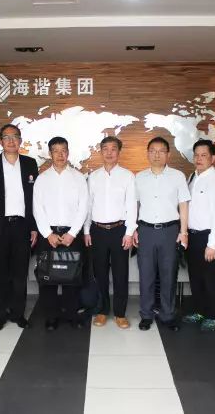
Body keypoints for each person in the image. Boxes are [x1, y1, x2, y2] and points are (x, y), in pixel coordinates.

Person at [0, 124, 39, 331]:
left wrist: (33, 227)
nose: (11, 141)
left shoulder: (30, 163)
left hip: (22, 226)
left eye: (15, 137)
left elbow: (34, 198)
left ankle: (18, 314)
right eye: (6, 137)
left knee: (20, 274)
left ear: (20, 140)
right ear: (1, 141)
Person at [134, 137, 190, 332]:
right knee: (146, 275)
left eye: (161, 151)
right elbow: (134, 205)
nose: (156, 155)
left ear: (168, 154)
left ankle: (168, 314)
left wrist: (184, 232)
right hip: (146, 231)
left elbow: (184, 205)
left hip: (170, 231)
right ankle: (146, 315)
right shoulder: (139, 177)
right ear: (147, 153)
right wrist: (133, 229)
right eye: (153, 151)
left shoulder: (177, 176)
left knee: (168, 275)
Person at [33, 136, 88, 331]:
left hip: (72, 235)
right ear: (50, 154)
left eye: (63, 150)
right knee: (47, 278)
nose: (60, 155)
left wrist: (73, 233)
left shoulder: (78, 178)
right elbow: (37, 208)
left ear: (68, 153)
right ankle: (51, 316)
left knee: (72, 277)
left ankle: (72, 314)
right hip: (48, 236)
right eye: (55, 151)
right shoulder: (42, 178)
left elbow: (83, 207)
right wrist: (48, 234)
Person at [84, 136, 136, 329]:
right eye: (105, 149)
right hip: (97, 231)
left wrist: (129, 232)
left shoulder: (128, 176)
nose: (109, 152)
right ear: (101, 152)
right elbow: (88, 206)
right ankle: (102, 310)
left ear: (119, 152)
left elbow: (132, 206)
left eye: (113, 149)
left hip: (119, 230)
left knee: (121, 273)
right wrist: (87, 230)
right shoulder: (93, 177)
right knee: (100, 273)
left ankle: (120, 313)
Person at [182, 140, 215, 331]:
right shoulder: (193, 176)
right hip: (193, 236)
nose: (199, 159)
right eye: (196, 155)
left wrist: (213, 244)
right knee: (196, 277)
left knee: (211, 279)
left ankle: (213, 316)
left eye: (204, 155)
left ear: (212, 158)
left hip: (208, 238)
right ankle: (200, 311)